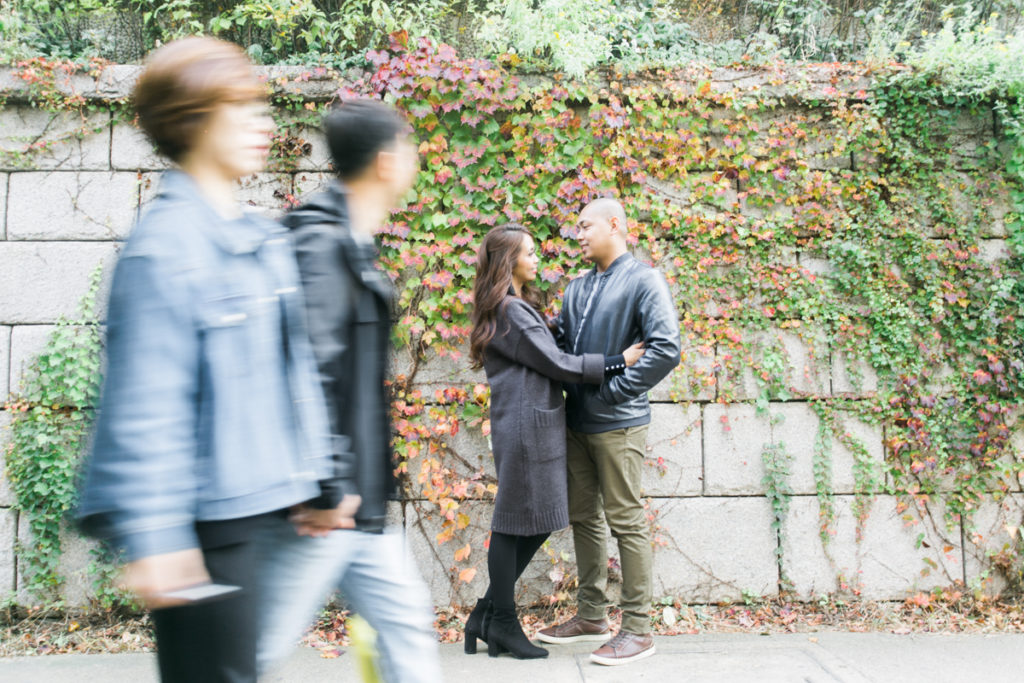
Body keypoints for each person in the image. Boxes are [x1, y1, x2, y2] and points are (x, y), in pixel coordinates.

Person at [75, 37, 335, 682]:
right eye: (240, 107)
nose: (263, 121)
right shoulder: (163, 248)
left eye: (261, 105)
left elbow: (292, 372)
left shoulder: (255, 235)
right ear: (194, 119)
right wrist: (160, 537)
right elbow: (145, 405)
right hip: (207, 527)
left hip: (269, 508)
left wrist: (319, 478)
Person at [252, 99, 441, 683]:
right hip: (324, 504)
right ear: (386, 162)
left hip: (358, 502)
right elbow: (308, 368)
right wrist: (329, 484)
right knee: (252, 650)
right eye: (409, 147)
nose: (416, 159)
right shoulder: (321, 242)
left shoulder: (352, 241)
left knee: (408, 627)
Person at [465, 223, 646, 659]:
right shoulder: (511, 310)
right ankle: (501, 623)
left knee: (541, 517)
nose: (535, 259)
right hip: (526, 427)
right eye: (529, 253)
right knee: (511, 522)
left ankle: (487, 612)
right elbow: (557, 363)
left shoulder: (514, 307)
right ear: (509, 261)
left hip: (530, 423)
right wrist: (617, 362)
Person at [537, 197, 681, 666]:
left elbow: (664, 350)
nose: (577, 234)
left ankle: (638, 629)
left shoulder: (645, 280)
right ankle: (592, 616)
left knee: (626, 520)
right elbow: (561, 351)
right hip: (575, 424)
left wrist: (612, 395)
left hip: (618, 424)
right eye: (575, 227)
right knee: (584, 517)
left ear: (615, 224)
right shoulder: (576, 288)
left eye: (585, 226)